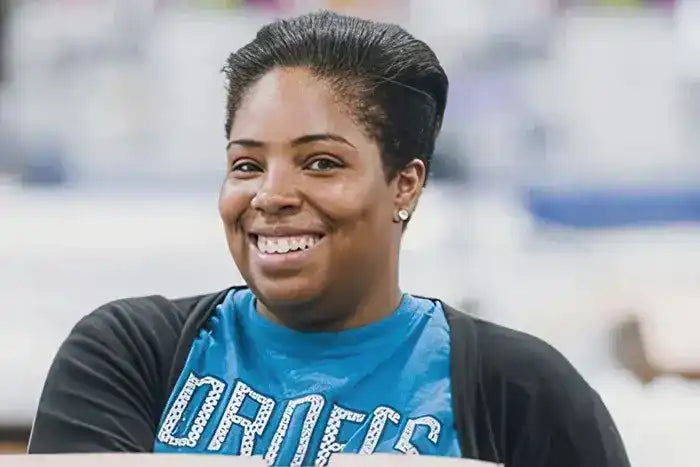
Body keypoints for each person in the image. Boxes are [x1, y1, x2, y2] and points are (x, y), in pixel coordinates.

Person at [28, 11, 630, 467]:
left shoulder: (520, 389)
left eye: (320, 163)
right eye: (246, 165)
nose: (271, 195)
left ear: (405, 185)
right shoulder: (128, 354)